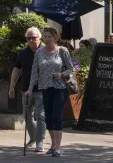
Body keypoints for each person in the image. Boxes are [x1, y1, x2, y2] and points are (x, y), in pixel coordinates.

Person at [27, 26, 74, 157]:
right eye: (45, 37)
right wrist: (30, 89)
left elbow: (71, 69)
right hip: (45, 88)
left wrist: (61, 74)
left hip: (60, 88)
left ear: (55, 38)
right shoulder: (39, 52)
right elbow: (34, 72)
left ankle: (58, 148)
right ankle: (53, 144)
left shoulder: (62, 51)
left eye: (49, 37)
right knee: (48, 118)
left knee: (57, 117)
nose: (47, 39)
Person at [9, 27, 45, 153]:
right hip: (26, 89)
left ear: (40, 38)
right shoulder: (23, 52)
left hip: (42, 89)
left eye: (33, 38)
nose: (31, 40)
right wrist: (12, 86)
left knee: (41, 116)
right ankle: (33, 137)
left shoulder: (46, 51)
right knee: (27, 116)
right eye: (28, 38)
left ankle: (40, 141)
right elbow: (17, 69)